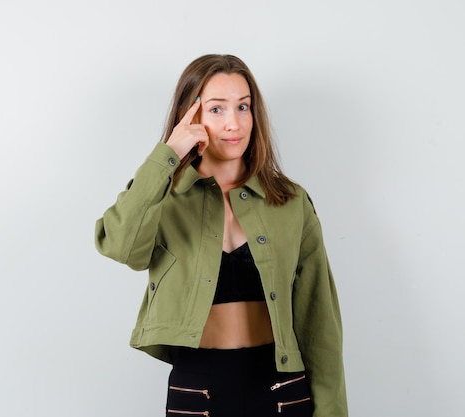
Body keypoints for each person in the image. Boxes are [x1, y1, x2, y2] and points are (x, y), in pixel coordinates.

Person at [95, 54, 347, 417]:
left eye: (243, 107)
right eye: (217, 109)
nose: (234, 123)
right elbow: (119, 246)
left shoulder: (291, 203)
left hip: (282, 390)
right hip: (198, 391)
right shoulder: (162, 198)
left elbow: (318, 322)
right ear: (190, 116)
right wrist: (167, 156)